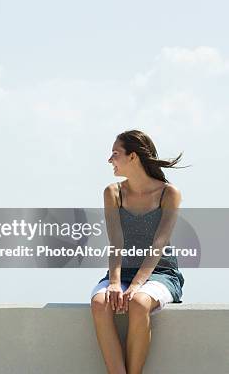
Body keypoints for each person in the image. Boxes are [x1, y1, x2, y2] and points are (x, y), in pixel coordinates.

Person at [90, 129, 186, 374]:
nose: (109, 159)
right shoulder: (113, 192)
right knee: (100, 303)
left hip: (161, 273)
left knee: (139, 303)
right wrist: (114, 283)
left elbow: (160, 243)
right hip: (122, 273)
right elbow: (116, 241)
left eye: (115, 153)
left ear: (133, 157)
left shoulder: (169, 193)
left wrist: (135, 287)